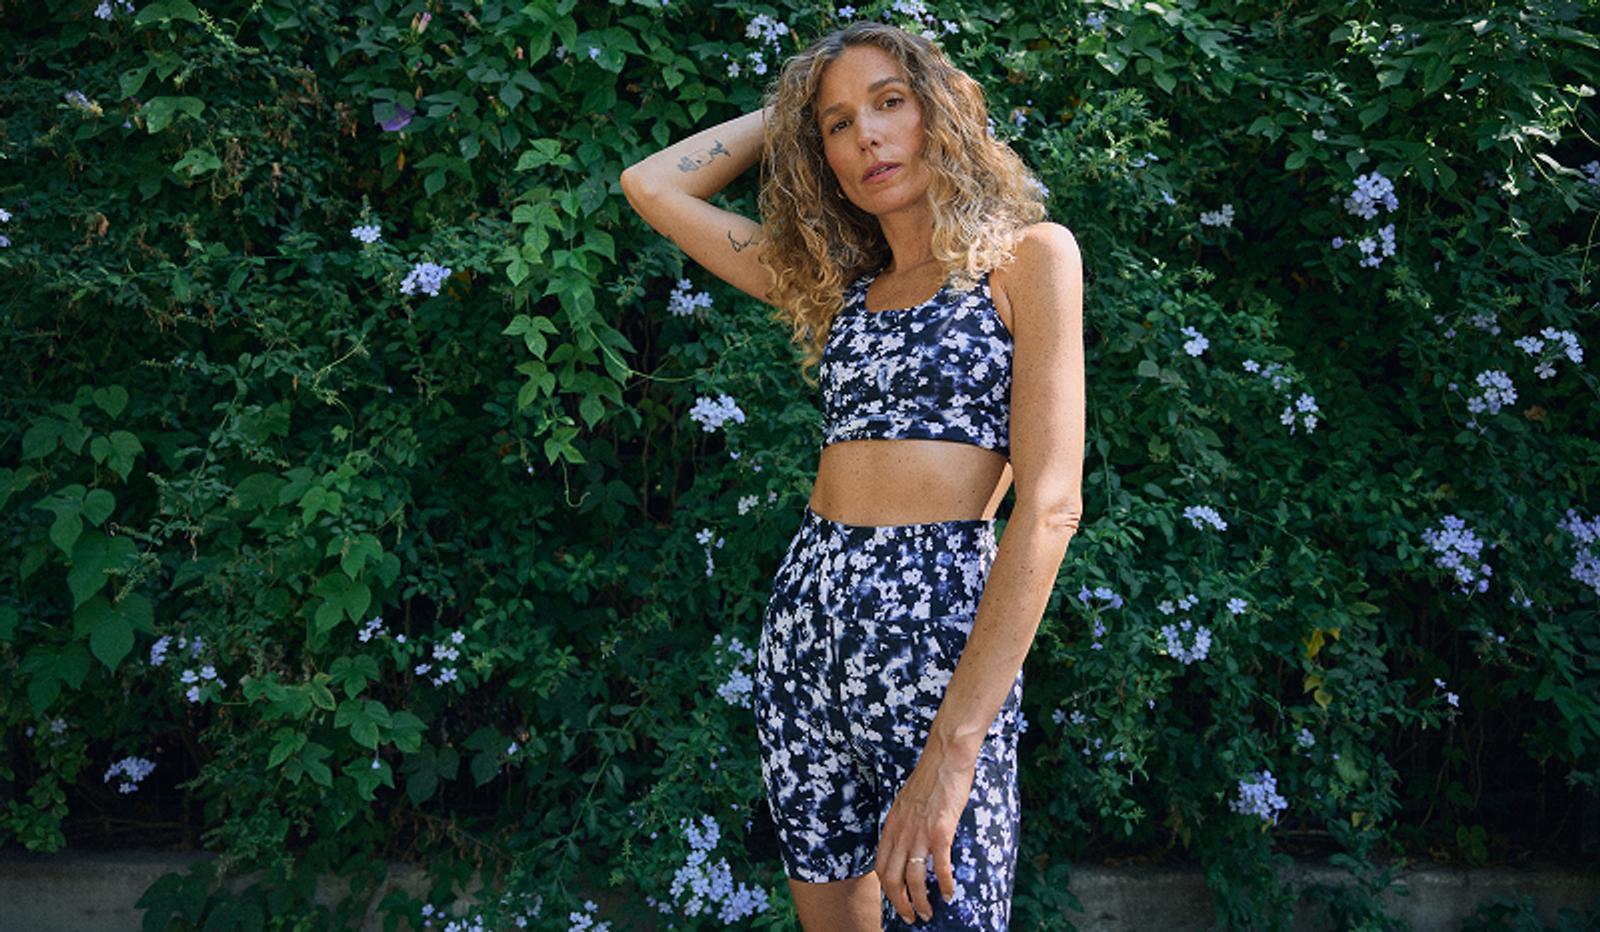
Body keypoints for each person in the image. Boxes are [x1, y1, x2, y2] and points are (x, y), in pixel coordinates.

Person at [620, 20, 1083, 931]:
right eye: (837, 125)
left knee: (944, 913)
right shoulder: (837, 291)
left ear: (939, 113)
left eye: (890, 103)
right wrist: (792, 107)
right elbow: (652, 185)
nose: (866, 135)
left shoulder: (1028, 258)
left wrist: (954, 751)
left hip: (937, 632)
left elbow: (1052, 508)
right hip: (806, 625)